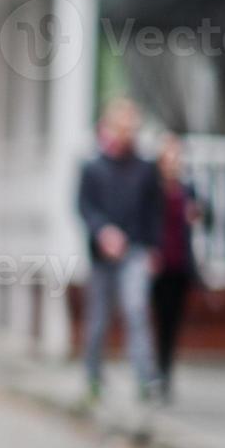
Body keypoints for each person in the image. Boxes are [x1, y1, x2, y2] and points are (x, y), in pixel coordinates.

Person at [76, 97, 163, 404]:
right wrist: (102, 232)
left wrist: (154, 248)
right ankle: (93, 377)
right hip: (102, 256)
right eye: (123, 127)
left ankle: (145, 378)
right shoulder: (92, 167)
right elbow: (84, 207)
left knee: (136, 309)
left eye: (132, 128)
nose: (128, 133)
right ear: (110, 127)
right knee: (98, 319)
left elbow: (155, 211)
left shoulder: (146, 169)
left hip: (136, 250)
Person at [150, 132, 206, 403]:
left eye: (176, 157)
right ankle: (153, 372)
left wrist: (198, 212)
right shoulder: (151, 187)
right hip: (156, 264)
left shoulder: (188, 189)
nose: (173, 162)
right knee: (155, 320)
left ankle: (166, 373)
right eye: (168, 156)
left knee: (172, 322)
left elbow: (207, 215)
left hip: (180, 264)